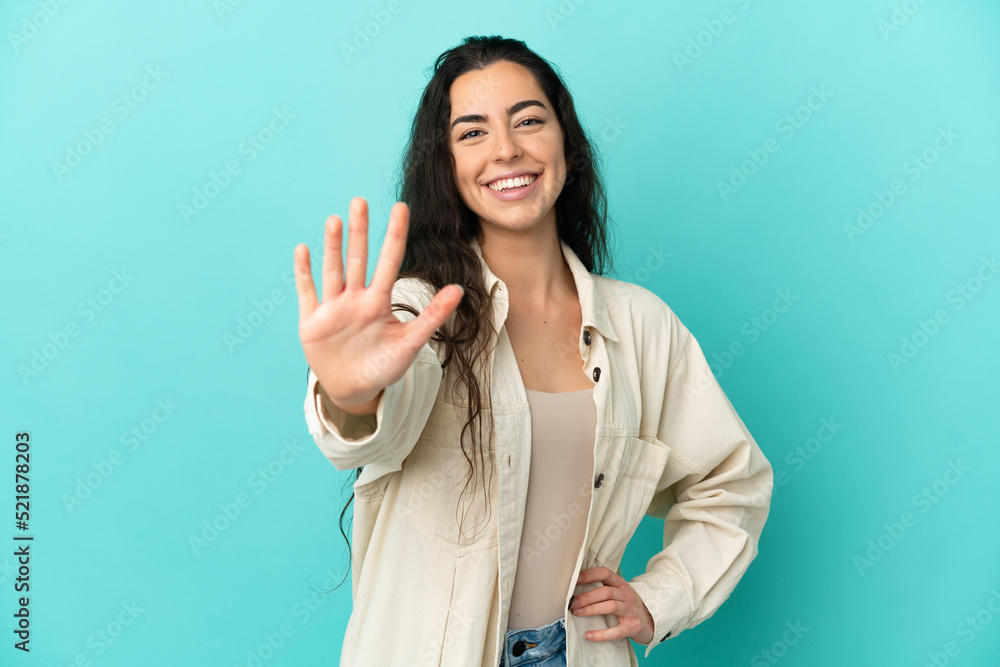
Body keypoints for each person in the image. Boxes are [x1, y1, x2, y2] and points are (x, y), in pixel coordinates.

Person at [293, 35, 773, 667]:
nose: (506, 149)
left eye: (528, 121)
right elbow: (371, 429)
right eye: (472, 133)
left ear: (565, 145)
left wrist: (661, 598)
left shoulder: (642, 325)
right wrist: (352, 393)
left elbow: (730, 483)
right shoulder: (416, 314)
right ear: (446, 166)